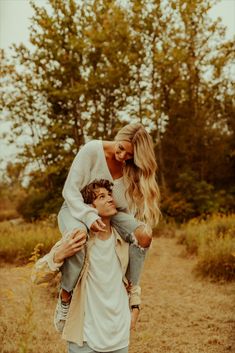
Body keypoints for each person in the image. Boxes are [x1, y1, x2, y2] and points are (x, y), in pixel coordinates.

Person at [57, 123, 160, 330]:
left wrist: (128, 232)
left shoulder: (132, 169)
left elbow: (126, 210)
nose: (122, 156)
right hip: (76, 208)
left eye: (129, 155)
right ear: (118, 136)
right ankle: (65, 296)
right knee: (79, 234)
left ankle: (132, 293)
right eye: (121, 148)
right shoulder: (92, 150)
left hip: (113, 214)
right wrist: (87, 216)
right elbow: (70, 191)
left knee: (144, 235)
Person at [32, 179, 141, 353]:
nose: (110, 199)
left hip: (119, 336)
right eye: (101, 197)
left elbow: (132, 278)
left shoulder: (124, 241)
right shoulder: (77, 240)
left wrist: (135, 306)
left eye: (110, 195)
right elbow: (36, 276)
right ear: (89, 207)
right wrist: (60, 254)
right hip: (84, 338)